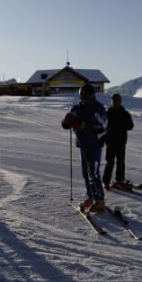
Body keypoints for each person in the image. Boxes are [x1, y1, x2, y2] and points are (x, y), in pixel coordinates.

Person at [62, 83, 108, 212]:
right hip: (82, 144)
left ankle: (100, 200)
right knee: (85, 174)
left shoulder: (98, 108)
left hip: (94, 144)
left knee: (93, 173)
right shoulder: (76, 108)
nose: (85, 99)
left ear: (92, 96)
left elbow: (103, 126)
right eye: (83, 96)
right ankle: (91, 197)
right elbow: (68, 124)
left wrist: (86, 126)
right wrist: (66, 121)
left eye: (87, 96)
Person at [102, 93, 134, 190]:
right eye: (113, 100)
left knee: (120, 162)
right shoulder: (107, 113)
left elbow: (130, 126)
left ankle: (119, 181)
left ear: (120, 101)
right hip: (110, 142)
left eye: (117, 100)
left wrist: (124, 122)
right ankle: (106, 182)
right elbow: (103, 126)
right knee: (109, 162)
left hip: (121, 142)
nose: (115, 102)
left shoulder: (125, 113)